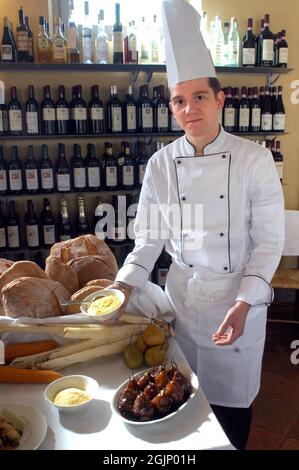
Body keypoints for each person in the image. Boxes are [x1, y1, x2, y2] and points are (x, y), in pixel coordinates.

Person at [109, 0, 285, 450]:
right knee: (180, 400)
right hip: (183, 301)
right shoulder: (161, 165)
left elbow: (269, 242)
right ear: (172, 107)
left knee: (232, 406)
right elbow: (148, 238)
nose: (190, 109)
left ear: (220, 99)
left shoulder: (255, 159)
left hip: (237, 299)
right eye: (180, 100)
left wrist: (246, 303)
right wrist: (124, 285)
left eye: (200, 97)